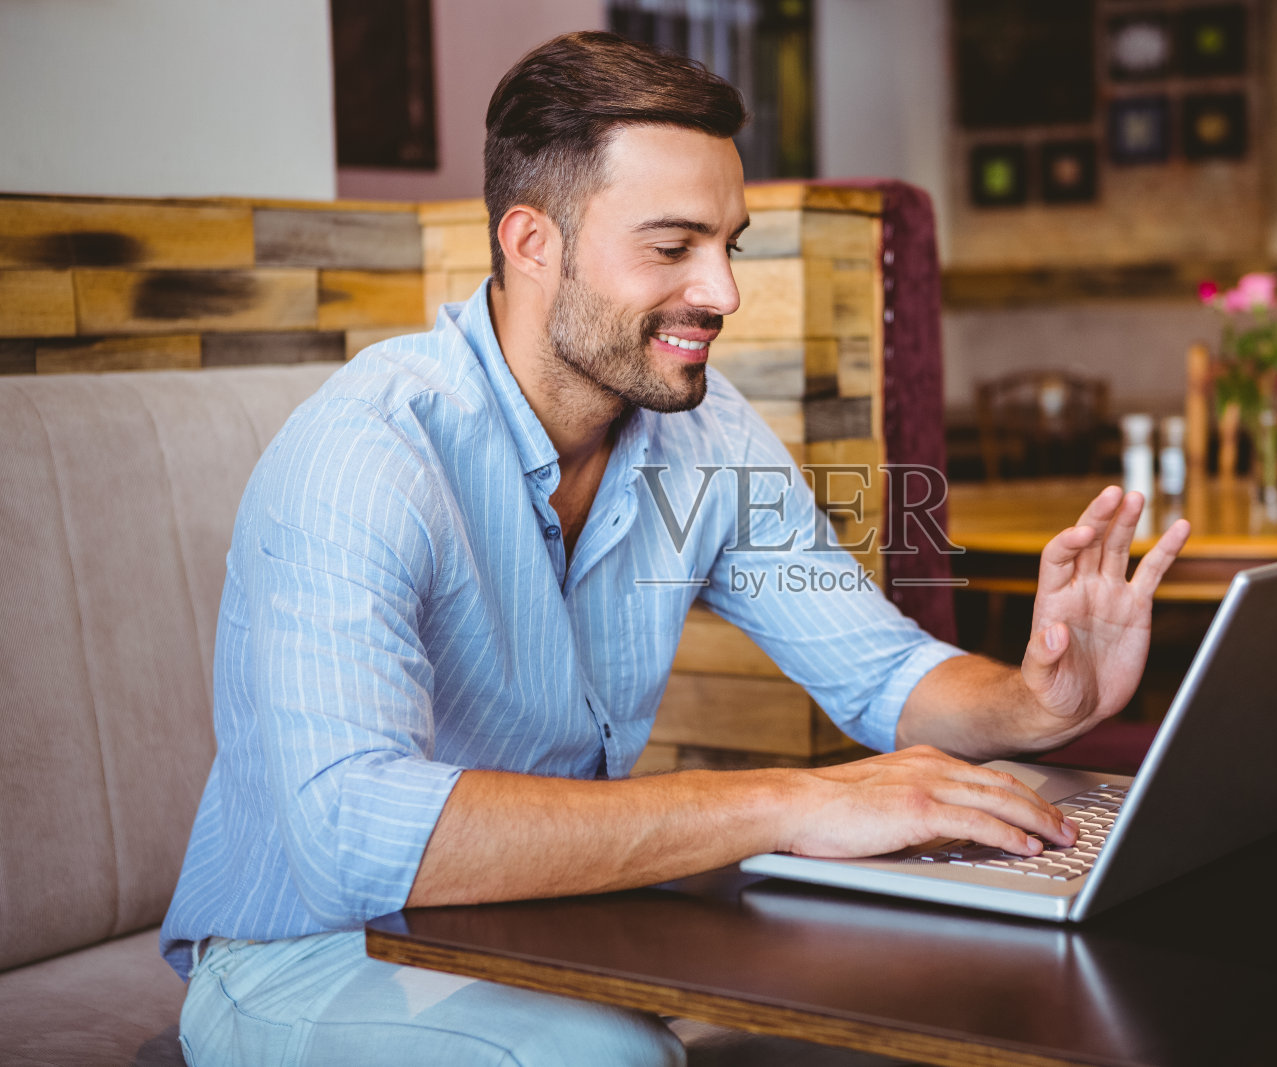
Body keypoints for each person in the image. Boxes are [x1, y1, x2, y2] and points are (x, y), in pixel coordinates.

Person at [161, 30, 1189, 1067]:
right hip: (303, 955)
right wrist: (788, 801)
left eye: (728, 244)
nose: (724, 292)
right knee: (608, 1056)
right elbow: (354, 838)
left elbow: (876, 666)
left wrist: (1036, 701)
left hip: (549, 925)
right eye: (671, 246)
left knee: (954, 989)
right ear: (531, 242)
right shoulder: (366, 451)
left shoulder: (702, 430)